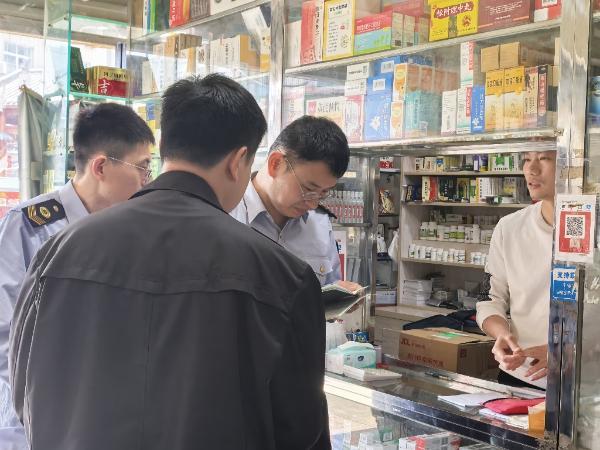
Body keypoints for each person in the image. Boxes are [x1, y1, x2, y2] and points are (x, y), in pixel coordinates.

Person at [10, 75, 330, 450]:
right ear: (238, 161)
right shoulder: (283, 276)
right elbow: (301, 430)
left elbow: (25, 394)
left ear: (165, 147)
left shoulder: (58, 252)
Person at [0, 102, 155, 448]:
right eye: (142, 167)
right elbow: (6, 335)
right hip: (36, 419)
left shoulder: (131, 230)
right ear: (101, 167)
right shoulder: (30, 227)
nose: (147, 180)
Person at [231, 115, 359, 291]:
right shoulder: (227, 213)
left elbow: (328, 290)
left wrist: (342, 294)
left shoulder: (319, 225)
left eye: (323, 193)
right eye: (308, 189)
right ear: (276, 164)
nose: (313, 204)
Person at [476, 150, 556, 389]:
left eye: (544, 158)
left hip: (586, 384)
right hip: (520, 375)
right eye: (527, 159)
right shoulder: (510, 227)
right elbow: (489, 298)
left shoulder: (592, 229)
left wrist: (567, 352)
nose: (532, 169)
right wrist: (501, 333)